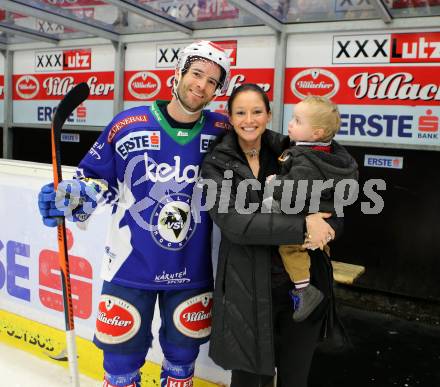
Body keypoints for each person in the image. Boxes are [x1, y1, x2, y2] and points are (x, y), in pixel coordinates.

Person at [37, 40, 232, 387]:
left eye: (212, 81)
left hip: (192, 268)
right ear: (179, 73)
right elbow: (97, 181)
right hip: (129, 265)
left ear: (218, 90)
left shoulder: (223, 131)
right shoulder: (128, 123)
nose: (201, 84)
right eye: (197, 73)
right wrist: (72, 195)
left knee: (182, 358)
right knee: (120, 359)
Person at [200, 83, 344, 387]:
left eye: (256, 111)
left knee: (295, 379)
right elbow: (236, 225)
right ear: (230, 117)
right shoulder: (216, 162)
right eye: (240, 112)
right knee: (250, 381)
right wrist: (305, 225)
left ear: (268, 115)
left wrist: (328, 226)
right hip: (247, 293)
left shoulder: (291, 148)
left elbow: (337, 206)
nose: (249, 119)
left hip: (305, 290)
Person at [263, 95, 358, 322]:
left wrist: (274, 183)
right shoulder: (335, 155)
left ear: (316, 133)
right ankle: (318, 275)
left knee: (291, 248)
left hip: (302, 212)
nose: (290, 124)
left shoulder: (306, 158)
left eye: (297, 120)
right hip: (322, 213)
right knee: (318, 247)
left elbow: (293, 189)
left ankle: (304, 290)